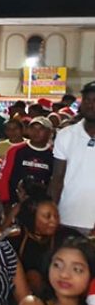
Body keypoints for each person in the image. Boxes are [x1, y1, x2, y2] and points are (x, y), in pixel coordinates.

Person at [9, 195, 81, 294]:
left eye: (56, 216)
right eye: (47, 217)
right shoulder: (15, 240)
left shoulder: (69, 237)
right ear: (31, 217)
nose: (54, 221)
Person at [50, 82, 95, 237]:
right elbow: (57, 178)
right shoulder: (66, 135)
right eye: (87, 100)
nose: (91, 105)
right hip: (68, 217)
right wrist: (51, 213)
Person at [0, 116, 54, 206]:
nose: (36, 132)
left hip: (41, 204)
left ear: (49, 133)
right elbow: (4, 176)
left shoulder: (54, 154)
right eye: (33, 128)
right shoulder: (15, 150)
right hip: (16, 201)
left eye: (41, 129)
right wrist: (5, 201)